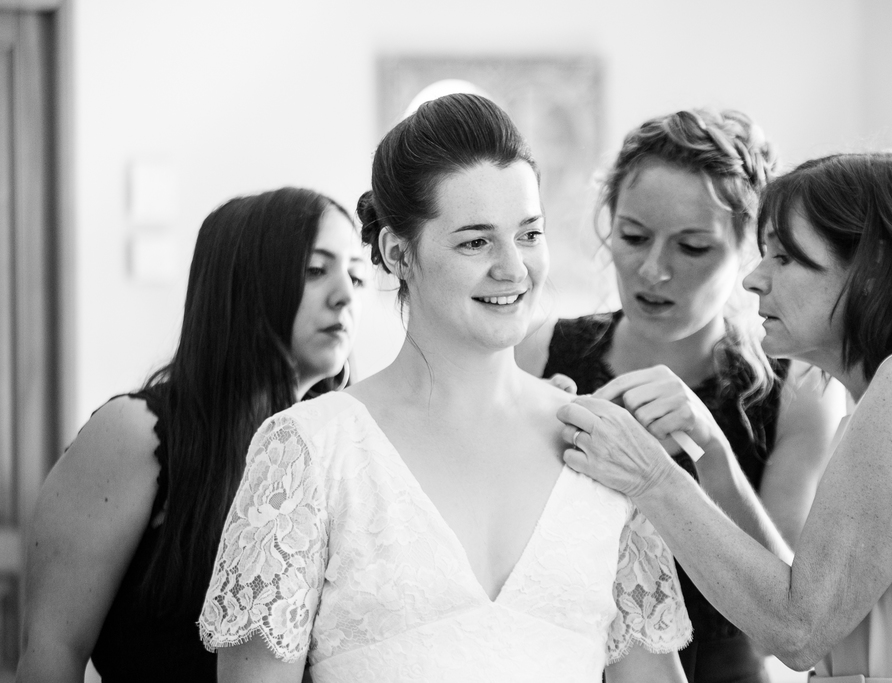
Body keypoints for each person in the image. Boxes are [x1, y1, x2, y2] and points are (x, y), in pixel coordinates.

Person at [199, 93, 692, 683]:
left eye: (529, 234)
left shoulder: (604, 447)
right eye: (475, 241)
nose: (514, 268)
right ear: (398, 254)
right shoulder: (309, 449)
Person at [557, 151, 892, 681]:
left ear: (870, 274)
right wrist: (713, 456)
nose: (755, 280)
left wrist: (652, 476)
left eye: (784, 258)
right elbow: (784, 615)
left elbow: (797, 632)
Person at [516, 108, 846, 682]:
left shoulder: (799, 390)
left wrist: (713, 453)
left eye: (692, 247)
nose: (654, 270)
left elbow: (788, 621)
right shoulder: (538, 354)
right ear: (608, 227)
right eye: (634, 237)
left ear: (748, 252)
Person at [15, 188, 366, 683]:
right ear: (244, 283)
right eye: (315, 270)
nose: (346, 296)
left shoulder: (342, 444)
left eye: (355, 275)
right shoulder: (134, 434)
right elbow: (54, 650)